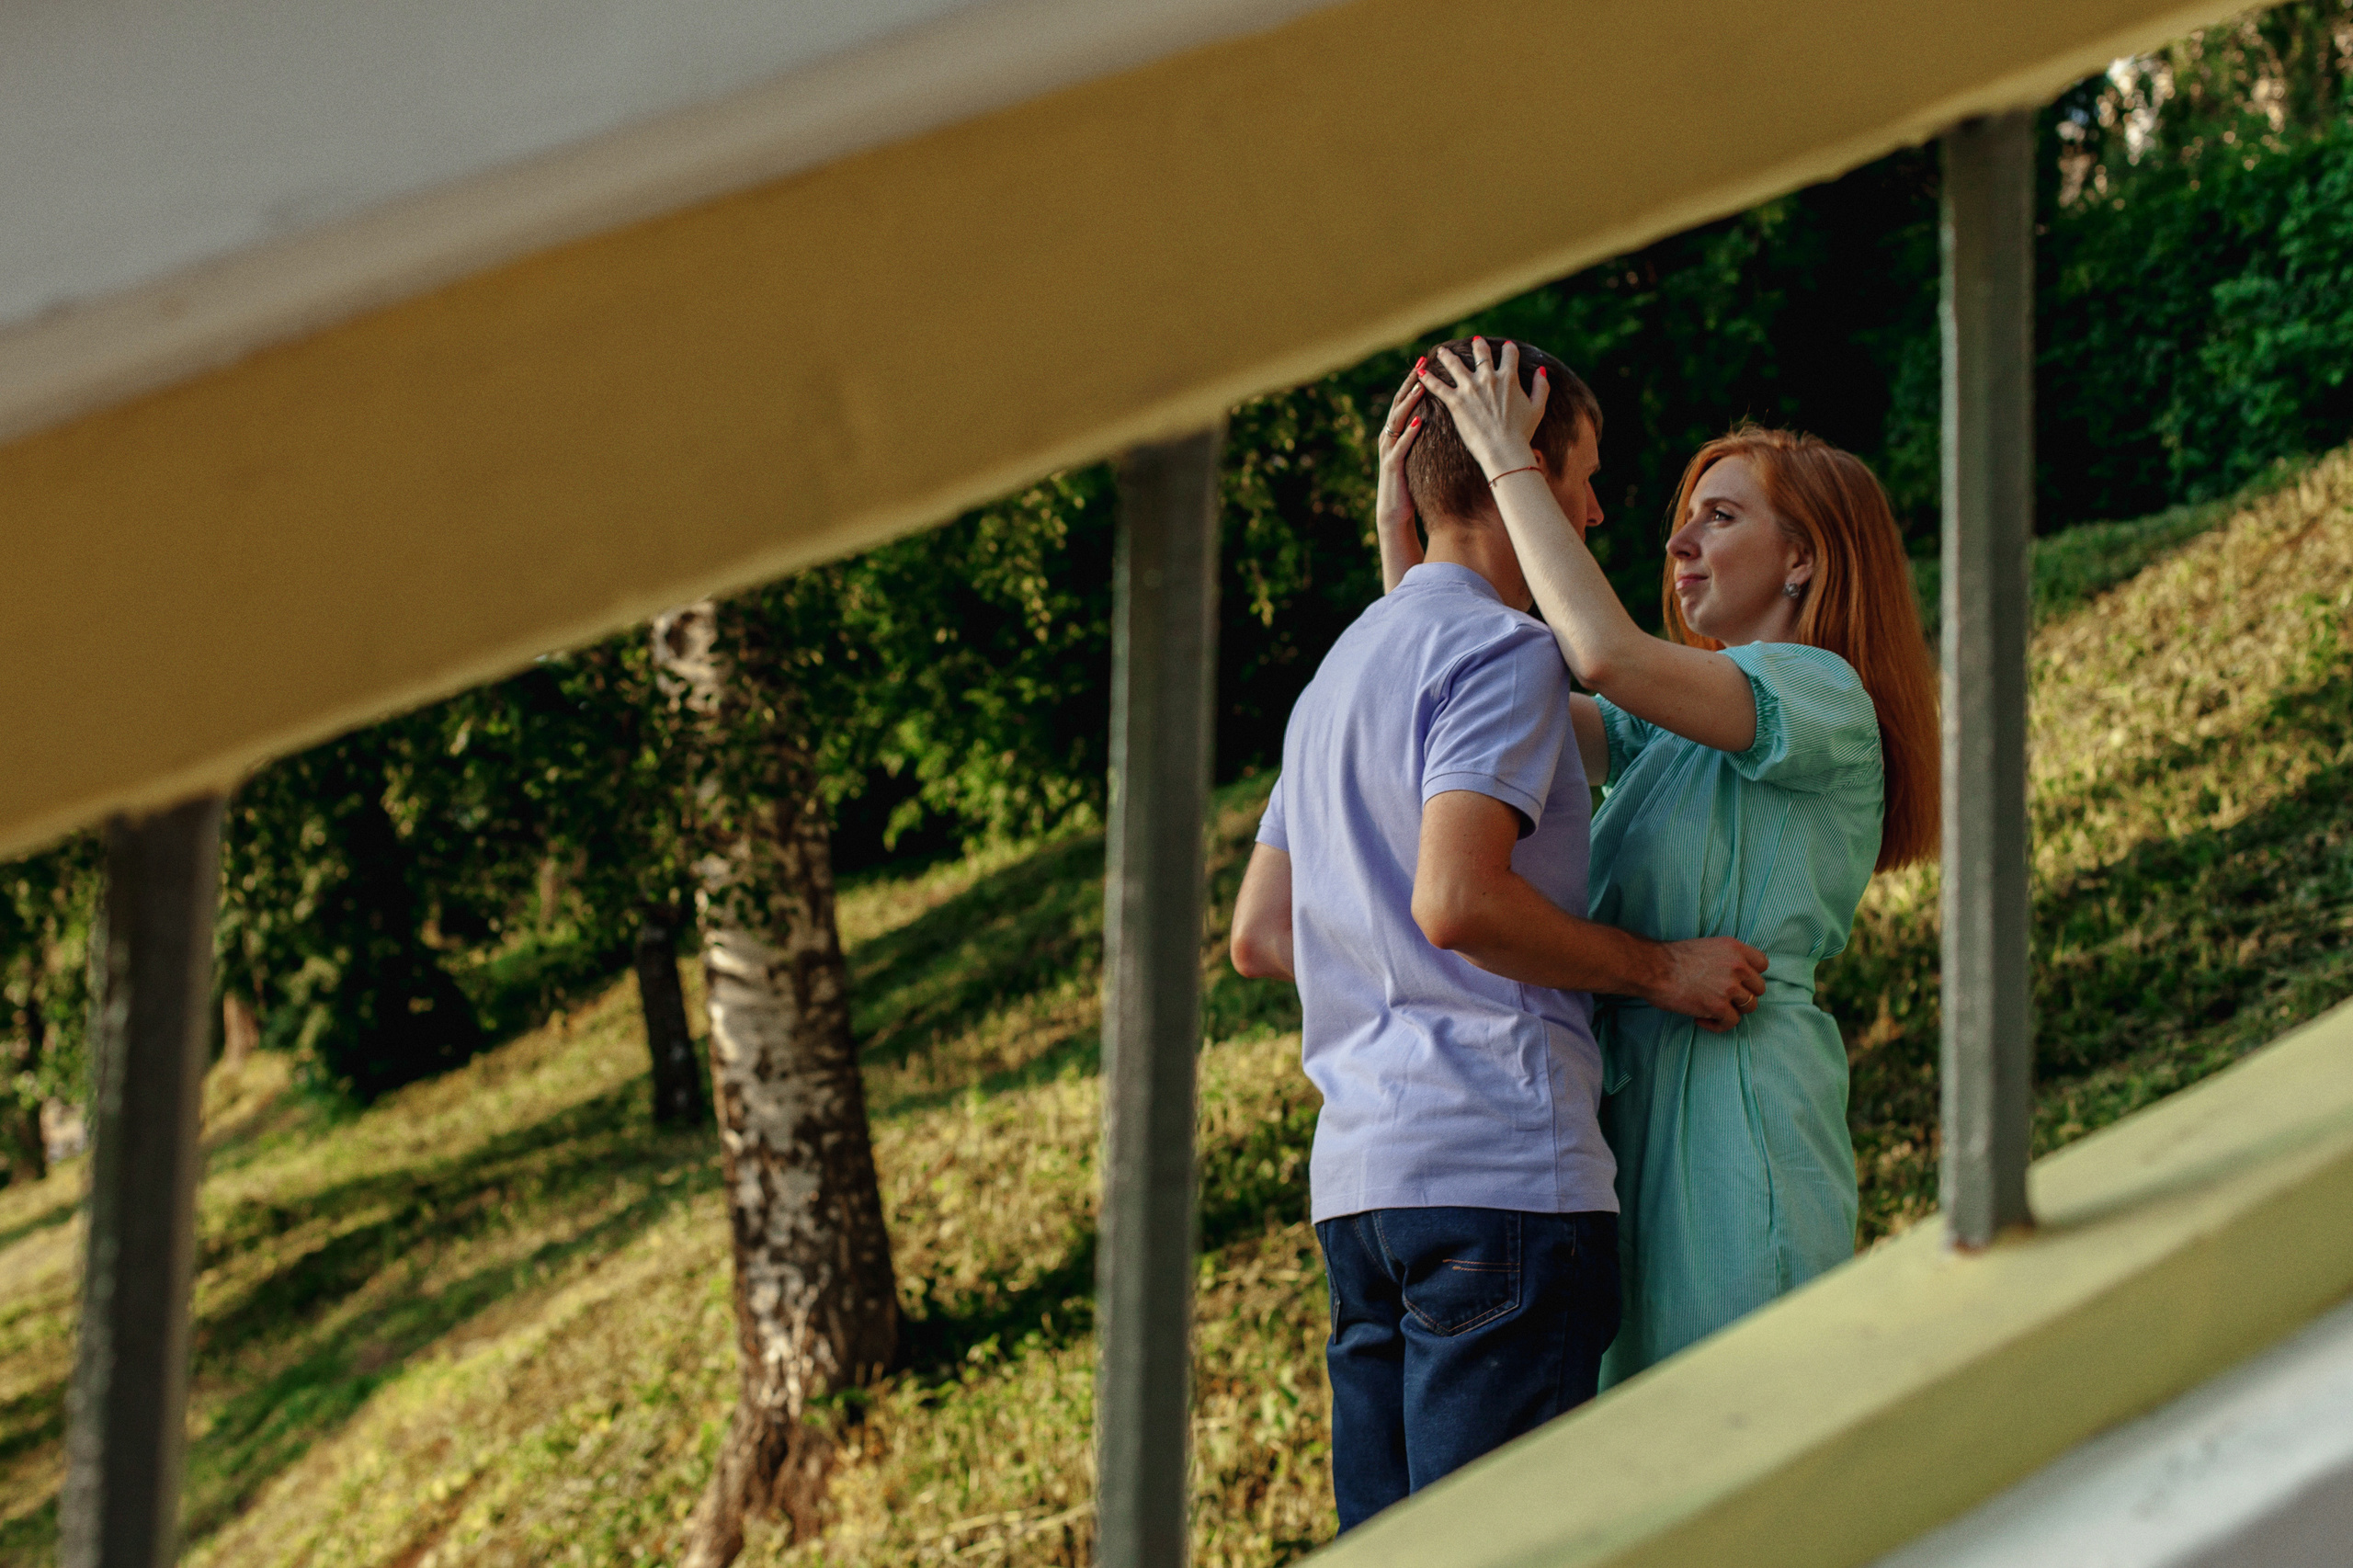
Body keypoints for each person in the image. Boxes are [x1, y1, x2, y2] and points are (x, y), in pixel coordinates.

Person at [1228, 338, 1771, 1531]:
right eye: (1580, 472)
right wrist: (1658, 968)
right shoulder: (1503, 651)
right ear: (1511, 464)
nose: (1591, 505)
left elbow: (1262, 934)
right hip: (1500, 1176)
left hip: (1361, 1192)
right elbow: (1459, 900)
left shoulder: (1334, 681)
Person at [1402, 337, 1939, 1386]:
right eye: (1687, 516)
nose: (1678, 541)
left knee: (1752, 1434)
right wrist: (1418, 527)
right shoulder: (1675, 731)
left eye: (1720, 516)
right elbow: (1466, 699)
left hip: (1736, 1106)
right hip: (1625, 1112)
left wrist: (1510, 462)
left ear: (1805, 557)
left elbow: (1599, 651)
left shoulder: (1823, 695)